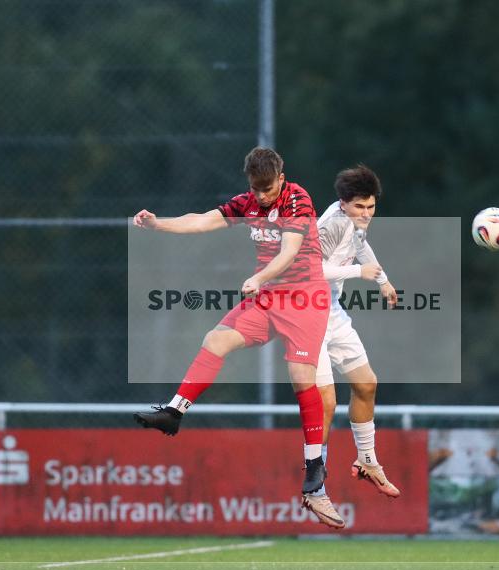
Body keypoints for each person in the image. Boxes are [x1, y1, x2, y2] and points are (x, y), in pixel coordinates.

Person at [131, 147, 345, 529]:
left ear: (280, 177)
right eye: (255, 189)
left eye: (266, 189)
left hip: (304, 299)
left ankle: (314, 466)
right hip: (266, 297)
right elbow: (200, 221)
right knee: (216, 340)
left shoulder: (298, 198)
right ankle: (174, 413)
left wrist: (260, 278)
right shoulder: (247, 202)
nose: (261, 196)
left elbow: (290, 250)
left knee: (301, 378)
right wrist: (158, 224)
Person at [304, 165, 401, 508]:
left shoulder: (355, 223)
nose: (366, 213)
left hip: (331, 312)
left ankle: (366, 460)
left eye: (371, 207)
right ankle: (315, 485)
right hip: (305, 314)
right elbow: (311, 270)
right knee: (325, 404)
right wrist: (360, 273)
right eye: (359, 206)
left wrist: (383, 281)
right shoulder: (331, 225)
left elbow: (362, 246)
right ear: (343, 203)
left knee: (366, 384)